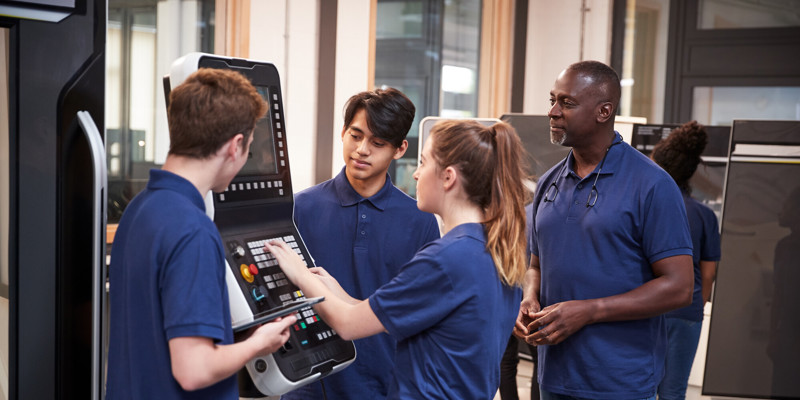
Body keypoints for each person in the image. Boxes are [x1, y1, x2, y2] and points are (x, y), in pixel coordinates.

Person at [267, 119, 527, 399]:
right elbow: (391, 312)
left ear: (448, 177)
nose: (416, 174)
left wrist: (300, 274)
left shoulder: (446, 259)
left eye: (424, 163)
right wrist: (335, 291)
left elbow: (349, 324)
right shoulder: (491, 249)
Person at [106, 68, 297, 399]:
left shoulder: (139, 209)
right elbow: (193, 370)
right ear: (235, 146)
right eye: (250, 148)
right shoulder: (193, 231)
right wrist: (258, 344)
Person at [514, 60, 694, 400]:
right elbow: (535, 265)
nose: (553, 112)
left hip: (620, 381)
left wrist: (590, 310)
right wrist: (529, 296)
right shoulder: (548, 183)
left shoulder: (652, 184)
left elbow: (679, 288)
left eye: (566, 103)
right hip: (553, 376)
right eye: (552, 100)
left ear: (604, 111)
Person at [281, 88, 440, 400]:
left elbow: (420, 316)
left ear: (399, 149)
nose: (362, 149)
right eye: (355, 135)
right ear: (343, 133)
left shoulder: (419, 220)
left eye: (377, 143)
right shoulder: (299, 208)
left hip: (384, 384)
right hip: (308, 384)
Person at [650, 120, 721, 400]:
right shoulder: (704, 215)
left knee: (638, 387)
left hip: (646, 308)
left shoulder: (649, 205)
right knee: (673, 391)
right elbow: (708, 274)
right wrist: (693, 306)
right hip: (686, 311)